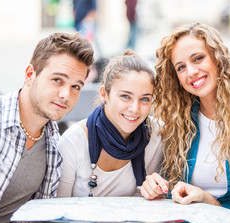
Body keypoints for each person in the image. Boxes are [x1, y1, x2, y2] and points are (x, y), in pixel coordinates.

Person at [140, 23, 230, 214]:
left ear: (217, 58)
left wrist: (207, 200)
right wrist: (156, 187)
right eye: (181, 67)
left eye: (198, 59)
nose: (191, 72)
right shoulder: (178, 123)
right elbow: (173, 193)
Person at [0, 33, 94, 223]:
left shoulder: (54, 150)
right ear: (30, 74)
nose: (66, 94)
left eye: (76, 86)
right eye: (57, 80)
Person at [56, 50, 163, 198]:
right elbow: (58, 209)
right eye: (125, 96)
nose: (134, 108)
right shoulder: (73, 142)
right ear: (103, 94)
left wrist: (161, 193)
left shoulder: (159, 135)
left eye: (145, 99)